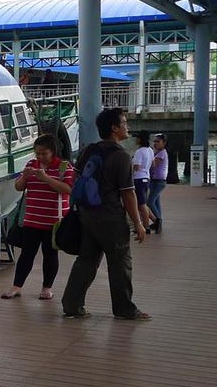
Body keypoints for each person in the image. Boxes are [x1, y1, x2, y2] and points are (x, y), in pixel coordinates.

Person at [61, 108, 150, 321]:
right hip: (111, 218)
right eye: (124, 123)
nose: (127, 127)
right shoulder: (121, 156)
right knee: (120, 264)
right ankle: (124, 309)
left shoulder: (88, 150)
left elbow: (75, 179)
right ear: (114, 128)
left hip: (87, 216)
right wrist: (138, 222)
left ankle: (72, 305)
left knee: (86, 260)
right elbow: (128, 193)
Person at [1, 134, 73, 301]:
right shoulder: (31, 164)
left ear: (53, 151)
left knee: (50, 254)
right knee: (26, 254)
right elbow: (19, 187)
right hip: (32, 219)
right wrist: (25, 177)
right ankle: (16, 286)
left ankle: (47, 288)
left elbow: (68, 189)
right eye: (37, 153)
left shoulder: (64, 167)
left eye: (44, 153)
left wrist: (46, 179)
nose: (40, 157)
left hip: (54, 220)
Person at [131, 131, 155, 232]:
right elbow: (153, 164)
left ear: (140, 139)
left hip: (138, 179)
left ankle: (146, 226)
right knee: (142, 203)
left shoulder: (139, 151)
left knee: (141, 204)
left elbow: (136, 167)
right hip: (146, 178)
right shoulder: (150, 150)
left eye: (137, 138)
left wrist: (130, 166)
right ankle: (154, 221)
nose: (135, 139)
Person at [147, 133, 169, 233]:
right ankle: (158, 222)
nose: (155, 143)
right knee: (156, 202)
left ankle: (157, 221)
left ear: (164, 143)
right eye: (154, 141)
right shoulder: (158, 152)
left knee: (149, 202)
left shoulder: (161, 153)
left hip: (158, 181)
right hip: (155, 181)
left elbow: (153, 165)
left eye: (158, 141)